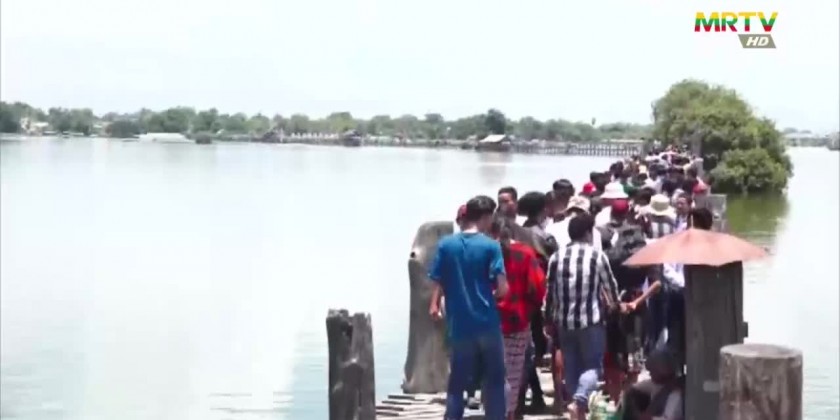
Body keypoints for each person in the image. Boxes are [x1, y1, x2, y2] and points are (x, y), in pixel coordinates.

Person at [428, 195, 509, 420]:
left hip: (459, 323)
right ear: (486, 217)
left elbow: (437, 278)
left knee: (457, 381)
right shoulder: (491, 246)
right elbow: (502, 287)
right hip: (487, 322)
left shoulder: (446, 245)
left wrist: (434, 303)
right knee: (495, 379)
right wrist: (495, 293)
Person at [545, 214, 627, 420]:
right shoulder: (597, 256)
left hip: (564, 322)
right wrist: (617, 305)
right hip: (591, 322)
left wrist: (548, 319)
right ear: (588, 233)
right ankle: (579, 401)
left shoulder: (556, 257)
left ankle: (577, 411)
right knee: (593, 367)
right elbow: (610, 286)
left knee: (572, 367)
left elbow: (550, 291)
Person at [489, 215, 547, 420]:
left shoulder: (485, 254)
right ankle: (508, 413)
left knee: (492, 373)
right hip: (517, 320)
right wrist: (529, 310)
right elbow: (538, 288)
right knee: (512, 375)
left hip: (488, 322)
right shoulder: (525, 253)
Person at [621, 348, 684, 420]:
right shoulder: (655, 384)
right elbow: (632, 389)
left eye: (652, 371)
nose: (650, 374)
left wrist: (649, 418)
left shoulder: (675, 393)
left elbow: (668, 418)